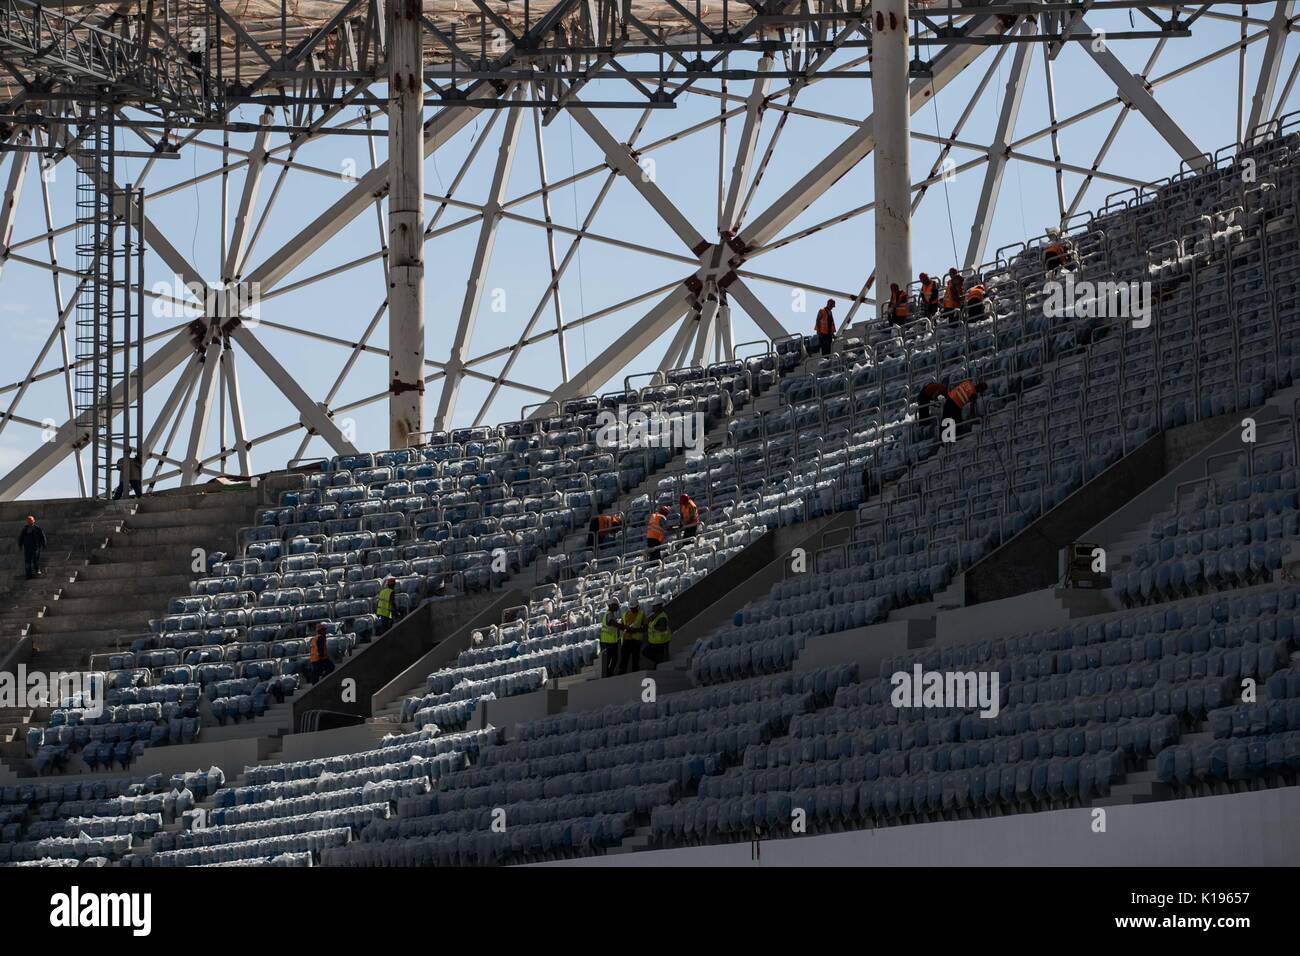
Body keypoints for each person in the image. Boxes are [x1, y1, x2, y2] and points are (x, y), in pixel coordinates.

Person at [619, 601, 648, 674]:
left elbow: (645, 628)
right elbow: (621, 626)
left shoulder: (642, 614)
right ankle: (621, 676)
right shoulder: (625, 615)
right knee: (624, 661)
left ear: (637, 606)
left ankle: (635, 675)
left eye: (634, 608)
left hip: (636, 641)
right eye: (631, 608)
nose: (632, 609)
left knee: (635, 660)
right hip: (626, 641)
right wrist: (627, 629)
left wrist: (636, 630)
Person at [599, 599, 624, 678]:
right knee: (613, 658)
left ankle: (609, 673)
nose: (617, 607)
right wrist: (623, 626)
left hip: (608, 640)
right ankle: (609, 674)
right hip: (609, 641)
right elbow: (612, 623)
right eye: (616, 606)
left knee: (612, 658)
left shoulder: (609, 614)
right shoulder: (609, 614)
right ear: (611, 605)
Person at [644, 602, 672, 668]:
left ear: (659, 607)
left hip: (661, 641)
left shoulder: (662, 617)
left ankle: (659, 664)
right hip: (655, 642)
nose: (653, 608)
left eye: (654, 606)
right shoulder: (656, 615)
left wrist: (653, 627)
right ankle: (659, 662)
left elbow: (663, 628)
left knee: (658, 660)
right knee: (646, 652)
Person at [17, 515, 46, 579]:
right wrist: (20, 545)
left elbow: (42, 537)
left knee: (35, 559)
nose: (30, 523)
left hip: (35, 547)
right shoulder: (25, 530)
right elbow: (21, 538)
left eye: (31, 521)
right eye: (29, 522)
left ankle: (37, 570)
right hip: (27, 548)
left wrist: (44, 544)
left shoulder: (37, 529)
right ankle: (28, 574)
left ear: (33, 521)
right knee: (27, 562)